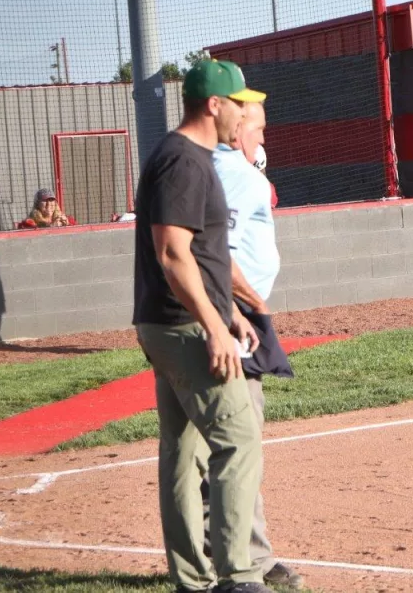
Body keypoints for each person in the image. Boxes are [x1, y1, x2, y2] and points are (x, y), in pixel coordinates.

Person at [132, 59, 271, 593]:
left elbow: (202, 252)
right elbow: (173, 254)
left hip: (173, 322)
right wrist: (214, 326)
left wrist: (230, 309)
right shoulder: (184, 161)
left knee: (183, 451)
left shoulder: (186, 156)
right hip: (185, 327)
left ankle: (193, 580)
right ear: (214, 105)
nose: (244, 113)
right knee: (238, 440)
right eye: (238, 103)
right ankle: (240, 575)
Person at [207, 101, 301, 590]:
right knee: (236, 449)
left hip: (229, 319)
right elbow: (215, 256)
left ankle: (238, 557)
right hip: (230, 324)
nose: (263, 138)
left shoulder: (213, 168)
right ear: (238, 128)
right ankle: (244, 562)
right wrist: (248, 308)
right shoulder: (235, 174)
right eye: (259, 129)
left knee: (224, 449)